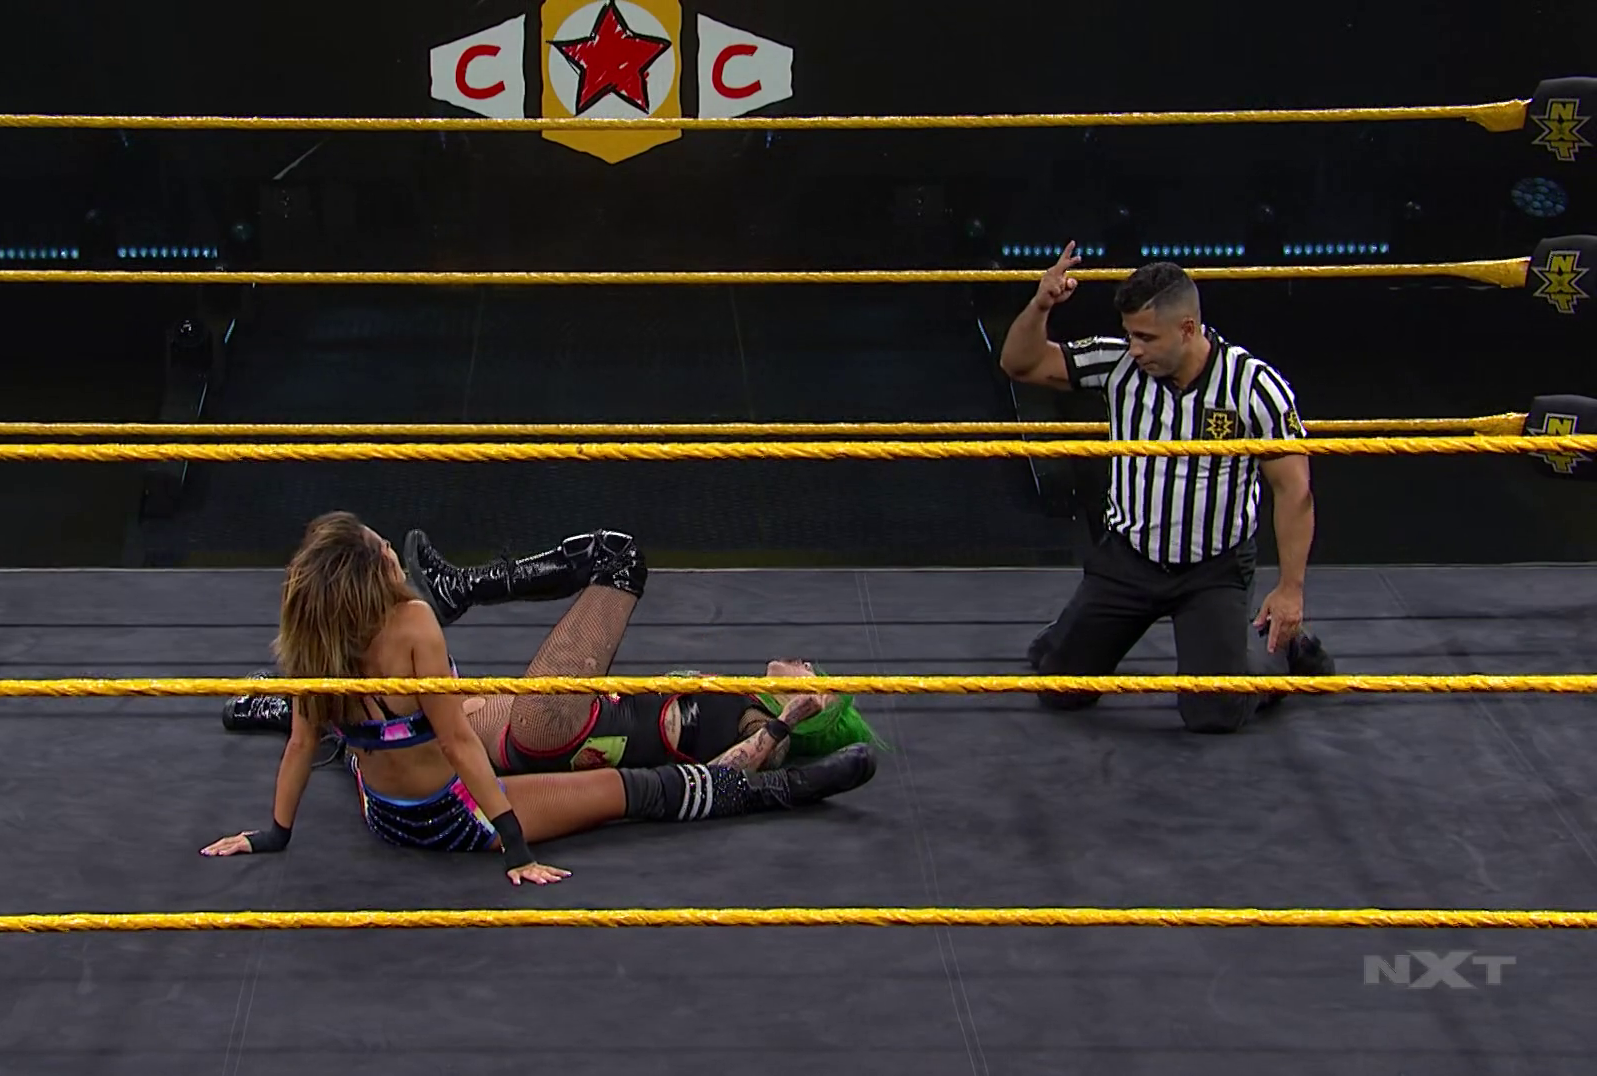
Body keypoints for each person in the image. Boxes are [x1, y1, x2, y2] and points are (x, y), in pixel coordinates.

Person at [200, 512, 877, 883]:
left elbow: (316, 744)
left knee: (405, 723)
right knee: (631, 788)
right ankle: (788, 792)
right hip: (473, 780)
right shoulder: (401, 627)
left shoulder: (321, 646)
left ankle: (791, 790)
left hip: (425, 792)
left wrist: (276, 833)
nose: (806, 665)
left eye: (812, 677)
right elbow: (452, 741)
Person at [998, 244, 1335, 733]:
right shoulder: (1120, 364)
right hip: (1128, 560)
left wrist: (1290, 591)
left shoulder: (1253, 387)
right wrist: (1040, 305)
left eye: (1146, 337)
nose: (1135, 348)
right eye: (1130, 335)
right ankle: (1077, 631)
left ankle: (1283, 651)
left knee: (1214, 713)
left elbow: (1294, 490)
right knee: (1060, 688)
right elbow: (1019, 364)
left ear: (1188, 329)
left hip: (1213, 569)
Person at [220, 527, 882, 773]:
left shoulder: (764, 728)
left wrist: (790, 719)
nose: (806, 663)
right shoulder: (732, 695)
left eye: (815, 676)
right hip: (538, 726)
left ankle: (458, 589)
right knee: (411, 725)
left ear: (812, 703)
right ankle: (283, 708)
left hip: (558, 729)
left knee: (619, 559)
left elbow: (734, 771)